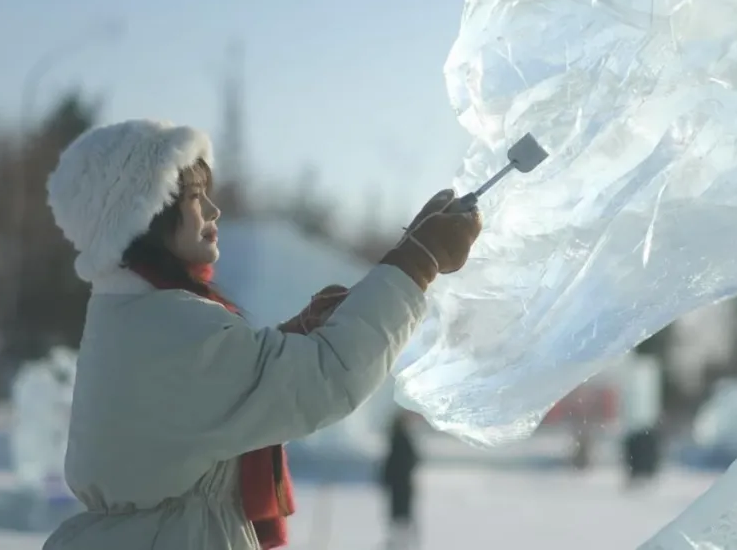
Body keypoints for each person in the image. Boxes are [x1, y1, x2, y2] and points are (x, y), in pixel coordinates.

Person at [40, 119, 482, 550]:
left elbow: (219, 394)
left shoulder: (133, 316)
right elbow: (321, 378)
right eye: (194, 197)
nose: (213, 211)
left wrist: (289, 337)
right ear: (143, 214)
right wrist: (417, 262)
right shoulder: (170, 325)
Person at [379, 409, 420, 549]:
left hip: (400, 484)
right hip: (401, 484)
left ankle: (400, 543)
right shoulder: (400, 439)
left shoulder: (397, 438)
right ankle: (400, 543)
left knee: (400, 516)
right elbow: (409, 459)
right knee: (401, 516)